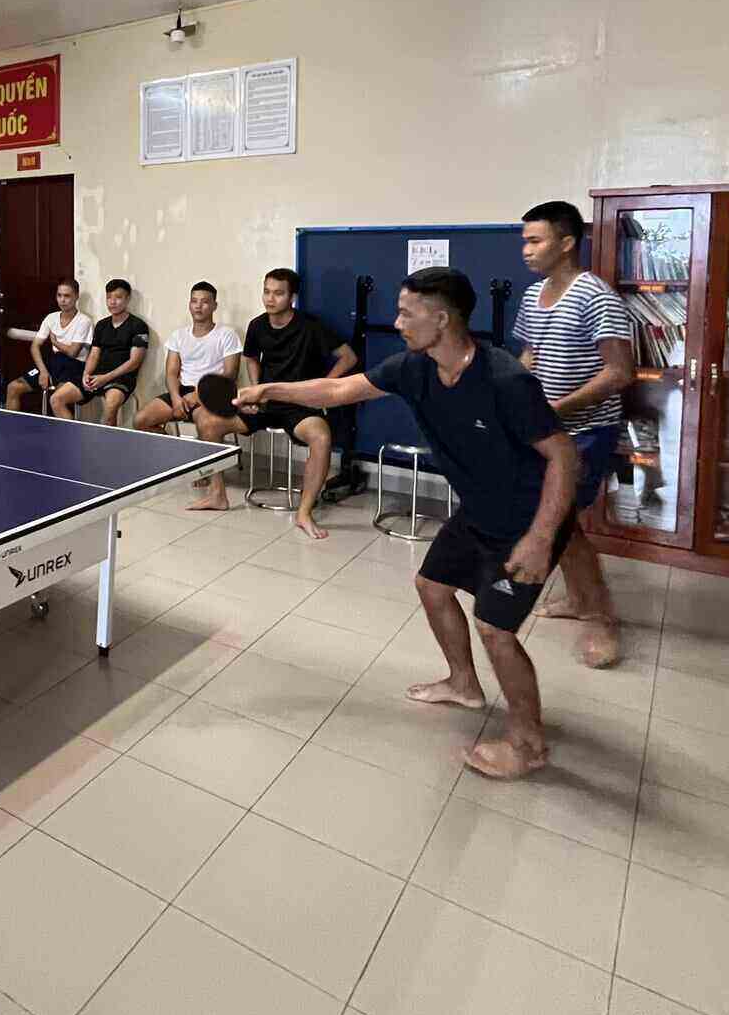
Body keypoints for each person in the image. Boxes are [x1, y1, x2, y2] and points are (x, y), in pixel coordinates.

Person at [237, 267, 577, 779]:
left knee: (495, 629)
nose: (396, 322)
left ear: (440, 319)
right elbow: (337, 392)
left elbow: (564, 459)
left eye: (406, 312)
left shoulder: (505, 380)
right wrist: (271, 390)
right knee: (432, 586)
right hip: (479, 511)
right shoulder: (413, 368)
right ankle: (464, 683)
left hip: (525, 520)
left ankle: (529, 743)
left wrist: (541, 538)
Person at [515, 201, 635, 668]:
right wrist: (515, 399)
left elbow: (619, 372)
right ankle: (579, 599)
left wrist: (557, 409)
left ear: (566, 243)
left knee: (561, 522)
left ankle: (599, 617)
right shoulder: (531, 295)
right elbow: (530, 354)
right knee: (559, 521)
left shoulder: (597, 297)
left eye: (535, 240)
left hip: (585, 431)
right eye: (524, 240)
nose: (525, 250)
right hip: (543, 431)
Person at [191, 267, 358, 539]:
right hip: (267, 403)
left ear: (292, 297)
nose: (270, 298)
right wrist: (256, 388)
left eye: (278, 293)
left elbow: (348, 357)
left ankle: (304, 513)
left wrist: (323, 390)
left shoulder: (311, 326)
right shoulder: (257, 325)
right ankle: (217, 494)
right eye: (267, 292)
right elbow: (251, 357)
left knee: (321, 437)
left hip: (301, 406)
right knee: (208, 422)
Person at [134, 280, 242, 433]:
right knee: (141, 420)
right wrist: (176, 398)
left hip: (212, 394)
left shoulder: (227, 334)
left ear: (214, 306)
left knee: (205, 426)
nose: (198, 306)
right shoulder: (178, 335)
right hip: (182, 393)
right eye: (194, 301)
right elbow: (171, 373)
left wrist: (199, 395)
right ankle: (174, 453)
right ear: (189, 304)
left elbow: (230, 374)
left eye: (204, 302)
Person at [52, 278, 150, 424]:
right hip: (96, 375)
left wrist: (105, 378)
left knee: (110, 406)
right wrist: (86, 374)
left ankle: (108, 445)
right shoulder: (101, 325)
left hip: (120, 378)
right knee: (56, 399)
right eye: (109, 297)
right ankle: (71, 439)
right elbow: (94, 354)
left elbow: (134, 362)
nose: (112, 302)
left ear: (127, 299)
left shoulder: (138, 326)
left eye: (118, 297)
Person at [3, 279, 92, 413]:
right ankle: (10, 431)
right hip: (54, 362)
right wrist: (43, 371)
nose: (62, 300)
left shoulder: (84, 321)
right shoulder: (51, 318)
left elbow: (73, 352)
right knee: (13, 387)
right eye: (59, 295)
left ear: (76, 296)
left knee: (58, 398)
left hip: (75, 365)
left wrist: (55, 342)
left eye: (67, 296)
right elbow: (35, 346)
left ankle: (67, 433)